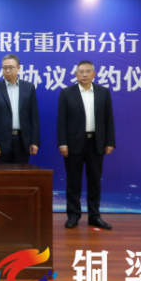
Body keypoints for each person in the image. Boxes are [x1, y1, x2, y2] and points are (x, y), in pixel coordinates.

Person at [57, 60, 116, 230]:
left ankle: (94, 216)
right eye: (81, 71)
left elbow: (109, 118)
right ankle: (73, 216)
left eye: (88, 71)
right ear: (76, 75)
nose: (84, 74)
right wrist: (62, 143)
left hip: (96, 143)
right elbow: (62, 120)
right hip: (73, 144)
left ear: (94, 74)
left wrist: (110, 141)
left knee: (95, 182)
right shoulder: (67, 93)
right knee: (73, 182)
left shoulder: (103, 92)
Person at [0, 54, 40, 164]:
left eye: (11, 67)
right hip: (2, 142)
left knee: (22, 174)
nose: (7, 71)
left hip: (23, 141)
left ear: (18, 68)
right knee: (2, 174)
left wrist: (34, 141)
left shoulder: (29, 88)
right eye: (4, 67)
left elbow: (34, 116)